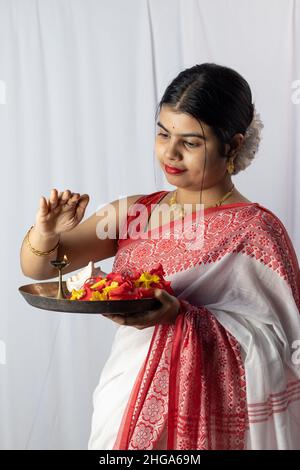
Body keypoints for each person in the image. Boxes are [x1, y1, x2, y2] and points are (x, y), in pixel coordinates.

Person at [20, 63, 300, 450]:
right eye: (163, 134)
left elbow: (286, 346)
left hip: (212, 419)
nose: (170, 152)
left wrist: (182, 317)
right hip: (125, 397)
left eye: (190, 142)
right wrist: (47, 232)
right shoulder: (137, 212)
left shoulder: (255, 230)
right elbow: (42, 267)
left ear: (232, 145)